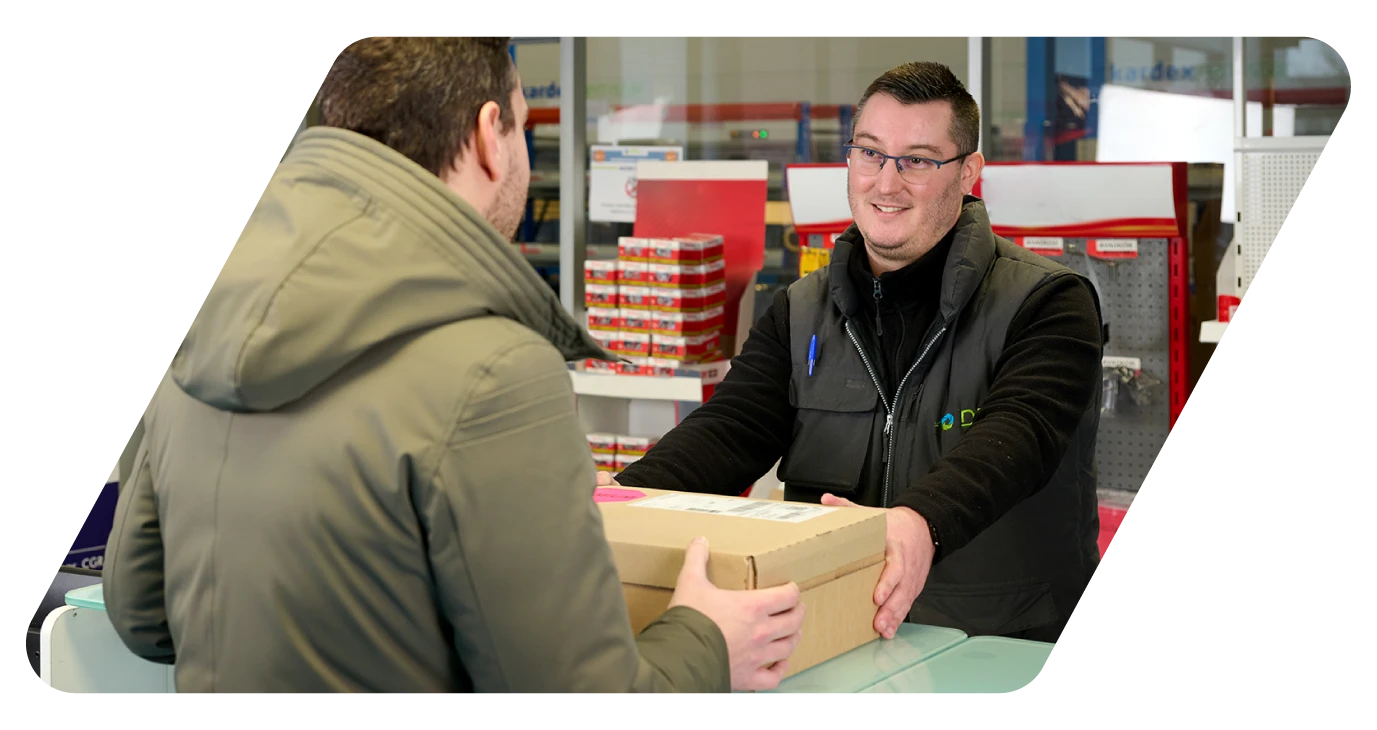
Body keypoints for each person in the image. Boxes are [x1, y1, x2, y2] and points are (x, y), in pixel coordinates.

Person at [101, 34, 805, 696]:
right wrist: (705, 638)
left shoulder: (216, 321)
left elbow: (141, 613)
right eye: (524, 131)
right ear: (486, 135)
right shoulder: (494, 370)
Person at [605, 61, 1104, 647]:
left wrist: (918, 525)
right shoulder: (800, 309)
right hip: (837, 643)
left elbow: (1019, 436)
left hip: (998, 646)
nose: (886, 183)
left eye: (918, 160)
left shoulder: (1048, 302)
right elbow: (729, 430)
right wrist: (615, 504)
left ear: (968, 173)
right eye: (870, 153)